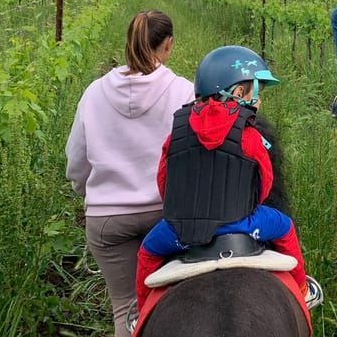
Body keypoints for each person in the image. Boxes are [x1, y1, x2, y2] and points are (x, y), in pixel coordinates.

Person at [135, 45, 322, 313]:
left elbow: (165, 183)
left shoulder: (177, 131)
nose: (259, 101)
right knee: (284, 227)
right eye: (256, 92)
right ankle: (303, 290)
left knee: (147, 252)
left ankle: (141, 312)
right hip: (242, 222)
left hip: (183, 230)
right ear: (238, 93)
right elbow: (264, 184)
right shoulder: (250, 133)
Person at [65, 10, 195, 337]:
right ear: (168, 44)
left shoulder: (94, 92)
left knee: (126, 307)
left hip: (107, 220)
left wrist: (92, 193)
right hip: (166, 215)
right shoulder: (184, 92)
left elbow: (76, 162)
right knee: (176, 302)